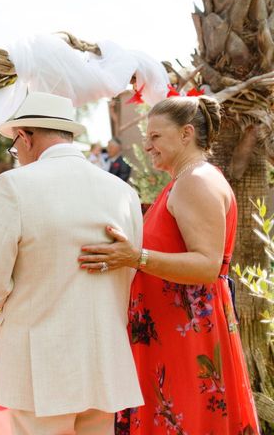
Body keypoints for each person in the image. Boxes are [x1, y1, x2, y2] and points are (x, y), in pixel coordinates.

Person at [80, 96, 259, 434]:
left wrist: (136, 258)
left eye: (156, 137)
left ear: (186, 133)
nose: (147, 146)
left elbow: (207, 265)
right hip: (173, 331)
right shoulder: (189, 179)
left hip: (186, 336)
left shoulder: (196, 182)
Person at [0, 92, 143, 435]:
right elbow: (129, 269)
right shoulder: (123, 191)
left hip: (40, 363)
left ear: (26, 136)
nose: (16, 155)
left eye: (15, 146)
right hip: (103, 357)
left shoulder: (15, 185)